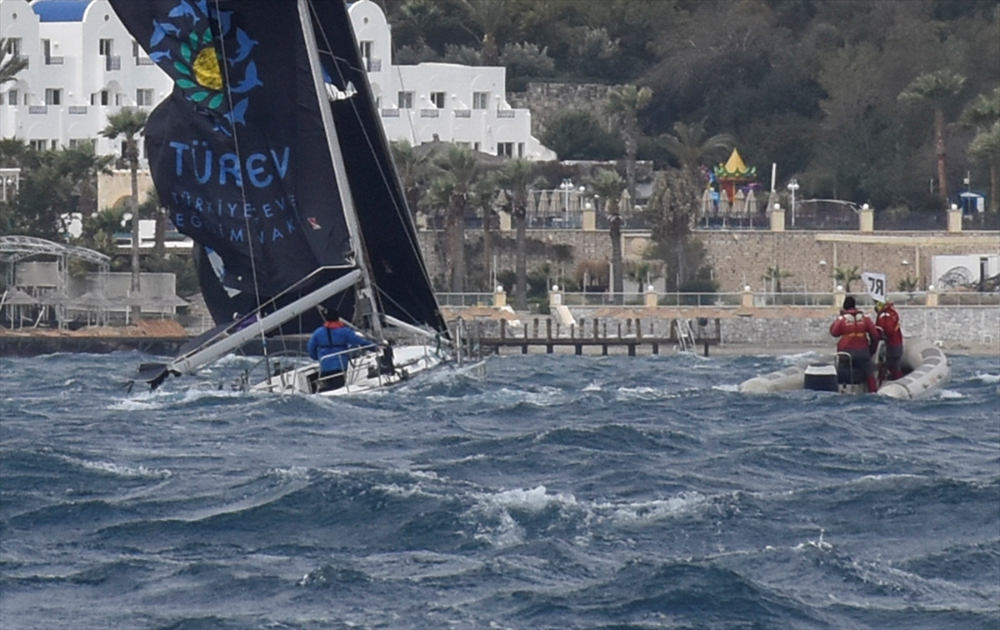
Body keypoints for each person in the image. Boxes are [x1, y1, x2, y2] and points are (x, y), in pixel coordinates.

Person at [307, 308, 376, 392]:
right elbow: (359, 341)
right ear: (337, 318)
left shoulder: (318, 332)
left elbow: (310, 348)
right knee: (338, 389)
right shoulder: (345, 332)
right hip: (340, 366)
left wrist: (316, 357)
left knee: (328, 388)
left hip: (325, 366)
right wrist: (374, 347)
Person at [829, 295, 881, 393]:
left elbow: (834, 332)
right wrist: (871, 350)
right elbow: (875, 335)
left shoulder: (842, 319)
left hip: (845, 352)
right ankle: (873, 391)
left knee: (842, 371)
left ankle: (841, 390)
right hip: (862, 352)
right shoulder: (865, 319)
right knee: (869, 372)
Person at [874, 301, 904, 380]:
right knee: (895, 366)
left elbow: (887, 330)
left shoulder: (884, 315)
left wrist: (879, 336)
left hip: (891, 344)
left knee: (892, 366)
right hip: (897, 342)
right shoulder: (892, 312)